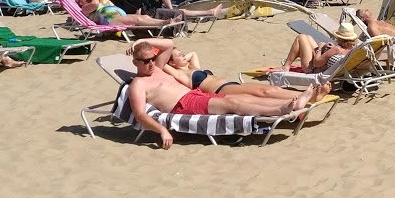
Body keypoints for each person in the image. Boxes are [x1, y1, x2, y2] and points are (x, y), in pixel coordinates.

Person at [126, 42, 320, 149]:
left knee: (240, 100)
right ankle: (280, 109)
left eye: (152, 58)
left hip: (196, 94)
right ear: (135, 62)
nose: (151, 63)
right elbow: (140, 114)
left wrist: (137, 42)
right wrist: (162, 130)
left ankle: (292, 101)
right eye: (146, 61)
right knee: (233, 103)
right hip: (184, 105)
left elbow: (168, 44)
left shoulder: (158, 68)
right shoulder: (138, 84)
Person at [143, 38, 325, 102]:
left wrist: (181, 57)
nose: (184, 56)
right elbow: (165, 53)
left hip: (228, 84)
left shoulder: (192, 68)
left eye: (183, 54)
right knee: (265, 91)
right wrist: (147, 47)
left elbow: (193, 53)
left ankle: (302, 97)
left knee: (266, 92)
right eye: (179, 56)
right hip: (220, 90)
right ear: (171, 63)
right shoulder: (179, 74)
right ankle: (306, 97)